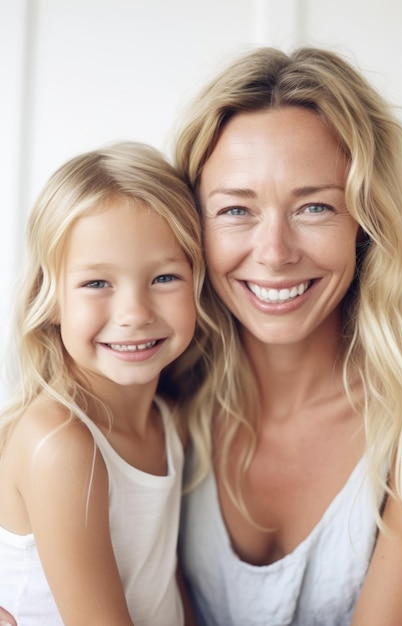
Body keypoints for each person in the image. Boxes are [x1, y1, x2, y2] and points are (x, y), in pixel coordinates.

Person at [173, 46, 402, 625]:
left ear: (367, 222)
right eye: (236, 211)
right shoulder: (161, 394)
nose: (275, 254)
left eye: (314, 208)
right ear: (192, 223)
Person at [0, 141, 211, 624]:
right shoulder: (62, 444)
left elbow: (164, 583)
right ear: (49, 300)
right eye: (97, 283)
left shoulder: (169, 421)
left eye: (164, 278)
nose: (135, 314)